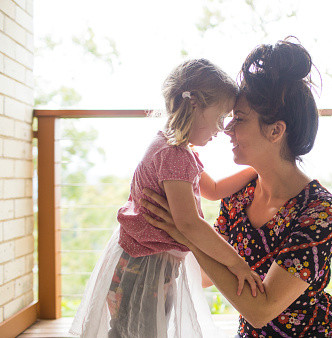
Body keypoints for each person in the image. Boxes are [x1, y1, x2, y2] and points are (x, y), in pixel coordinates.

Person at [142, 38, 332, 337]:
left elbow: (260, 310)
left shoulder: (319, 212)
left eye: (238, 119)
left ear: (276, 131)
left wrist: (184, 232)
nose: (226, 129)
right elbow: (207, 273)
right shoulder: (240, 196)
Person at [70, 58, 264, 338]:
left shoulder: (171, 148)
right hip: (145, 266)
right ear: (195, 105)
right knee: (138, 333)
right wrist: (237, 263)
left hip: (139, 261)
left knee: (128, 331)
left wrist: (256, 169)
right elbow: (190, 224)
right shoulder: (175, 156)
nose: (222, 129)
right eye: (220, 117)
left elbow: (212, 190)